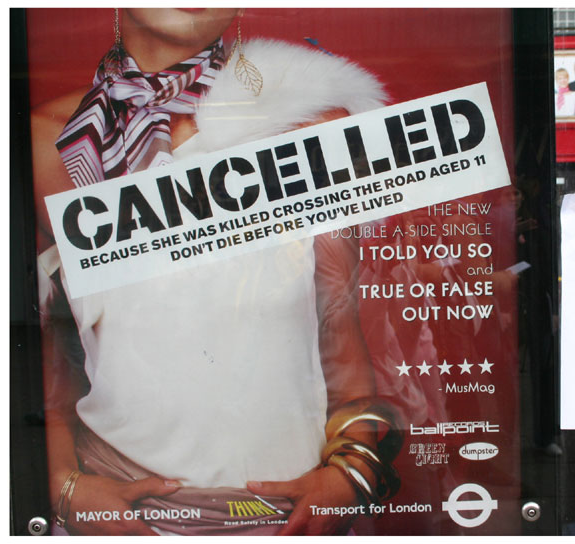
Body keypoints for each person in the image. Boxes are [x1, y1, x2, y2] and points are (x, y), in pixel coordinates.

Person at [32, 8, 399, 535]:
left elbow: (340, 330)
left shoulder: (311, 124)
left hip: (284, 518)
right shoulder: (43, 143)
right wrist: (65, 485)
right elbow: (42, 356)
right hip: (121, 513)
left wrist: (349, 475)